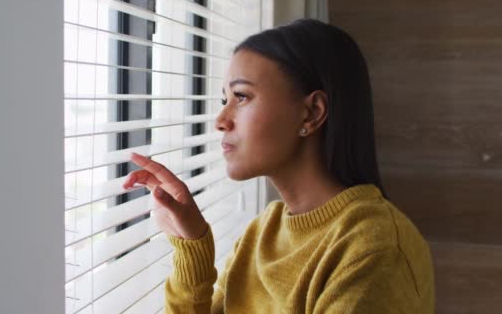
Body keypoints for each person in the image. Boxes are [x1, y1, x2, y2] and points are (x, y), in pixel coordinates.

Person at [122, 18, 435, 313]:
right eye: (224, 100)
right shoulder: (263, 231)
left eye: (242, 97)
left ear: (312, 113)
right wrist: (192, 250)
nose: (221, 121)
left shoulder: (375, 249)